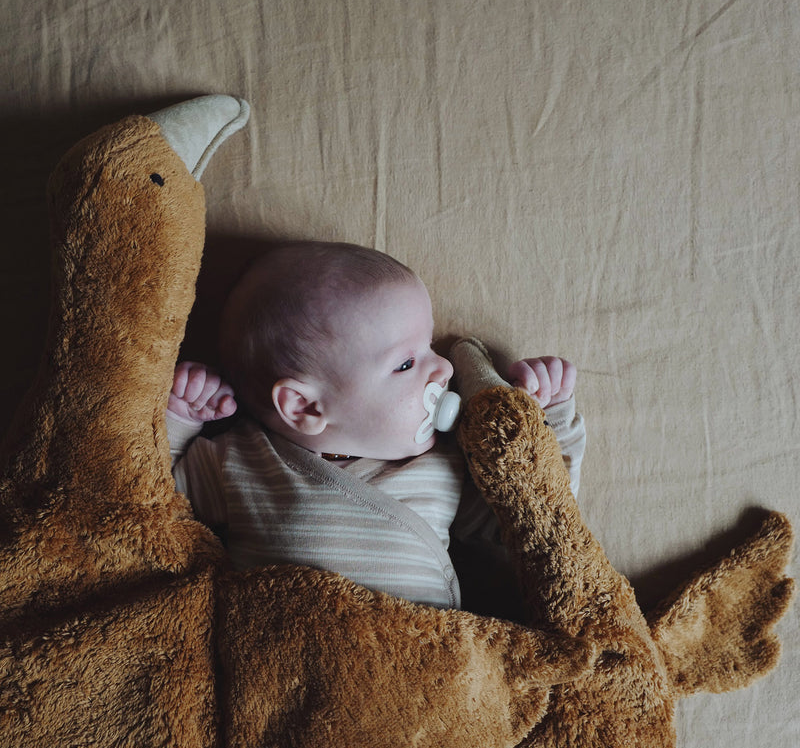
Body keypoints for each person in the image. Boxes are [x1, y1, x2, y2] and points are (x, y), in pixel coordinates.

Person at [167, 240, 585, 612]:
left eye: (428, 344)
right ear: (305, 406)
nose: (441, 366)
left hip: (420, 670)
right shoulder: (240, 462)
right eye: (406, 363)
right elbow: (152, 499)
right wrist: (181, 417)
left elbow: (538, 517)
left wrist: (548, 416)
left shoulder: (448, 466)